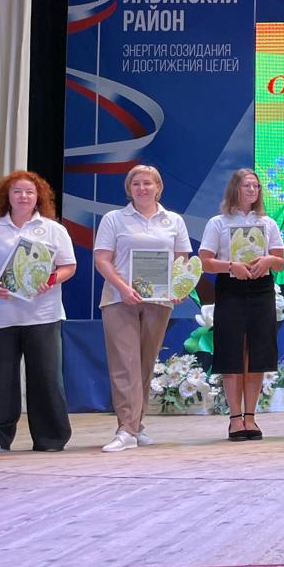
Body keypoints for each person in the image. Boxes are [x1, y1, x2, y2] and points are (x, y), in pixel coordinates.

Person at [0, 171, 77, 455]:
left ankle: (51, 438)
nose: (23, 196)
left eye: (29, 192)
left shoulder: (53, 230)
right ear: (7, 197)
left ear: (39, 197)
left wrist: (51, 279)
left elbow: (69, 266)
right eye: (17, 191)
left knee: (46, 378)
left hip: (43, 315)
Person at [93, 164, 192, 452]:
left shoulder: (173, 220)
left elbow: (182, 259)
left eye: (148, 183)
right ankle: (126, 429)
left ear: (158, 187)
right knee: (125, 363)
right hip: (119, 299)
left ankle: (137, 425)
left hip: (159, 301)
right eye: (136, 183)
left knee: (145, 363)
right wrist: (123, 288)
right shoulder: (114, 219)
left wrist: (178, 287)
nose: (142, 188)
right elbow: (102, 259)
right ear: (129, 188)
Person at [199, 168, 284, 442]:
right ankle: (235, 418)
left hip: (261, 289)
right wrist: (230, 266)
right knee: (232, 352)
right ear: (235, 188)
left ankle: (251, 416)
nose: (252, 190)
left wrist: (268, 260)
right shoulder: (218, 222)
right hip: (231, 288)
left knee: (257, 353)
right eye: (247, 185)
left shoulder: (267, 223)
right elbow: (204, 262)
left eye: (256, 186)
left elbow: (280, 261)